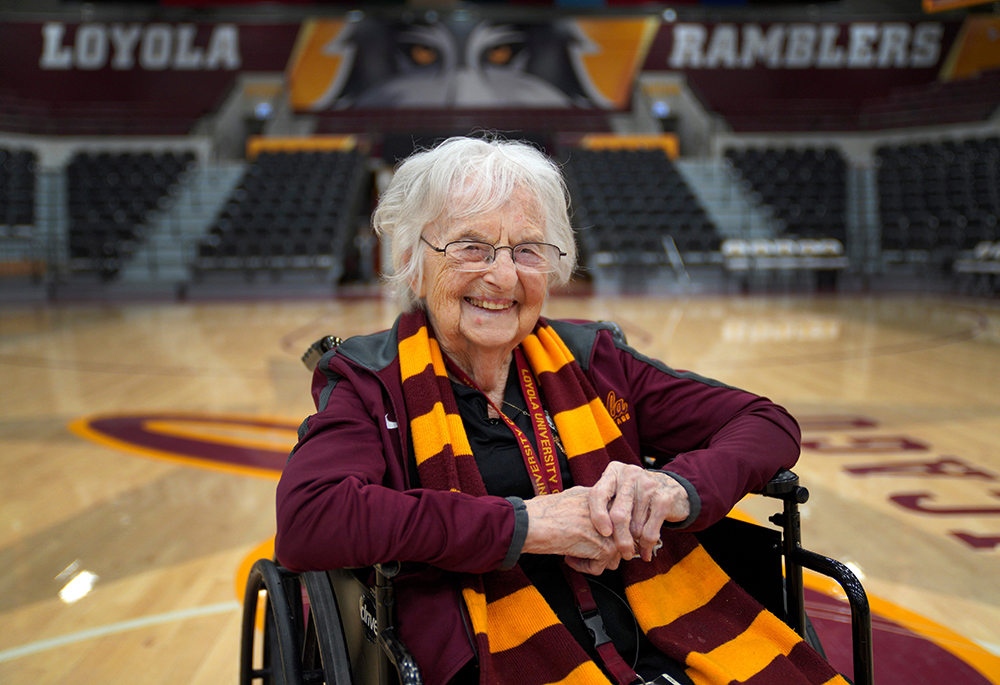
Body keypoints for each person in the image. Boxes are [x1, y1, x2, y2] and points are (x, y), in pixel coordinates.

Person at [275, 136, 846, 685]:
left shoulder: (594, 360)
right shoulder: (371, 382)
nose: (502, 276)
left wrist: (672, 489)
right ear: (411, 258)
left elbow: (766, 423)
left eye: (527, 250)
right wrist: (525, 525)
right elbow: (310, 519)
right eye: (470, 246)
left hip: (656, 638)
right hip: (493, 657)